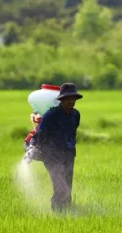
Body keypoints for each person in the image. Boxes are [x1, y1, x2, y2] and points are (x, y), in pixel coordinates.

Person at [31, 83, 83, 211]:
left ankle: (67, 210)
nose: (71, 102)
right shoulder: (51, 115)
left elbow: (72, 132)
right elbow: (40, 134)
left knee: (68, 185)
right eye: (68, 99)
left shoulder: (76, 115)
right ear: (62, 99)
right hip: (52, 155)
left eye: (73, 99)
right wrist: (35, 148)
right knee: (60, 186)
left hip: (69, 154)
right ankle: (57, 212)